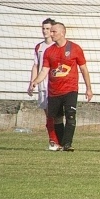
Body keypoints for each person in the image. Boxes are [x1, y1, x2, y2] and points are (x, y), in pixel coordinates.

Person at [28, 22, 93, 152]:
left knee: (70, 115)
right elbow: (44, 70)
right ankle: (62, 143)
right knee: (57, 118)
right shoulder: (49, 51)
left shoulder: (75, 48)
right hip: (54, 91)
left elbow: (84, 69)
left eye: (53, 32)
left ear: (62, 33)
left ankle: (67, 144)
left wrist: (88, 88)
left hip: (70, 89)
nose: (51, 34)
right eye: (50, 31)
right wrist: (35, 81)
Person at [27, 18, 63, 150]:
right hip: (42, 84)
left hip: (55, 84)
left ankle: (58, 140)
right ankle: (53, 141)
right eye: (43, 28)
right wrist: (32, 82)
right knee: (48, 115)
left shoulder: (57, 47)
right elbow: (36, 65)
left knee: (56, 114)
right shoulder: (39, 47)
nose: (45, 31)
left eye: (48, 29)